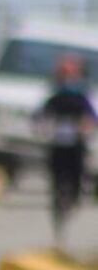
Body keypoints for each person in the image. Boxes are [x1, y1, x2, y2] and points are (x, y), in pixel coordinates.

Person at [33, 54, 97, 239]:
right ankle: (59, 207)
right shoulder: (55, 97)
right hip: (57, 145)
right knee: (56, 178)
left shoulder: (81, 96)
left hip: (76, 145)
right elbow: (40, 116)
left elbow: (91, 117)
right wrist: (45, 127)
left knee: (77, 178)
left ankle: (72, 201)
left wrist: (85, 126)